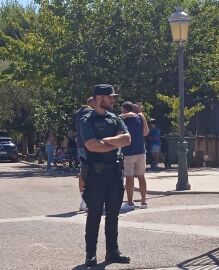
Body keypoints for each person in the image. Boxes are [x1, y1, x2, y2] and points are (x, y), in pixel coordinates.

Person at [80, 84, 131, 267]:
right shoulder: (86, 119)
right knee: (94, 215)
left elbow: (127, 139)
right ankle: (90, 255)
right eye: (110, 97)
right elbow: (91, 145)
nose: (113, 100)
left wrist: (104, 142)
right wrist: (114, 142)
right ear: (99, 98)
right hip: (95, 175)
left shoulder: (115, 118)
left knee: (113, 215)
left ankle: (112, 252)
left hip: (115, 174)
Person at [119, 101, 149, 211]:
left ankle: (130, 202)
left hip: (128, 151)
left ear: (124, 109)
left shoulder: (123, 119)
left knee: (129, 177)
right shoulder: (140, 117)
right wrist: (141, 114)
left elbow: (118, 133)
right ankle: (143, 202)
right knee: (141, 176)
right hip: (141, 151)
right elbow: (146, 133)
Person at [75, 97, 94, 211]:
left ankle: (83, 200)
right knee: (92, 172)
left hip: (81, 145)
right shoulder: (90, 112)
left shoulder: (78, 113)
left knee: (83, 172)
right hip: (89, 145)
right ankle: (89, 201)